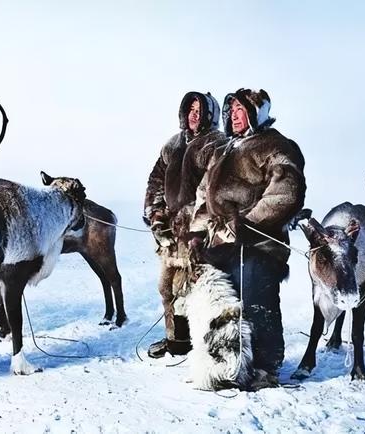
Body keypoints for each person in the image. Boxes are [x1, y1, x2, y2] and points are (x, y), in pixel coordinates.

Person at [189, 88, 306, 388]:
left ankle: (267, 367)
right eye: (231, 111)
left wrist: (246, 224)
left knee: (257, 301)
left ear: (257, 113)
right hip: (220, 243)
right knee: (226, 308)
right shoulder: (224, 150)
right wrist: (197, 234)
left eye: (241, 110)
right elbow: (205, 195)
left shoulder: (276, 145)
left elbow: (286, 191)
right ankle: (232, 364)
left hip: (258, 244)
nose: (234, 116)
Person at [144, 91, 227, 358]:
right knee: (167, 287)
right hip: (170, 232)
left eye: (199, 109)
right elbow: (156, 181)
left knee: (194, 289)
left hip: (199, 233)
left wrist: (196, 225)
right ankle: (176, 341)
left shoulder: (216, 143)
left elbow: (212, 188)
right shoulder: (172, 145)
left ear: (209, 114)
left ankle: (200, 344)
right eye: (190, 108)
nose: (194, 114)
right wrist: (157, 215)